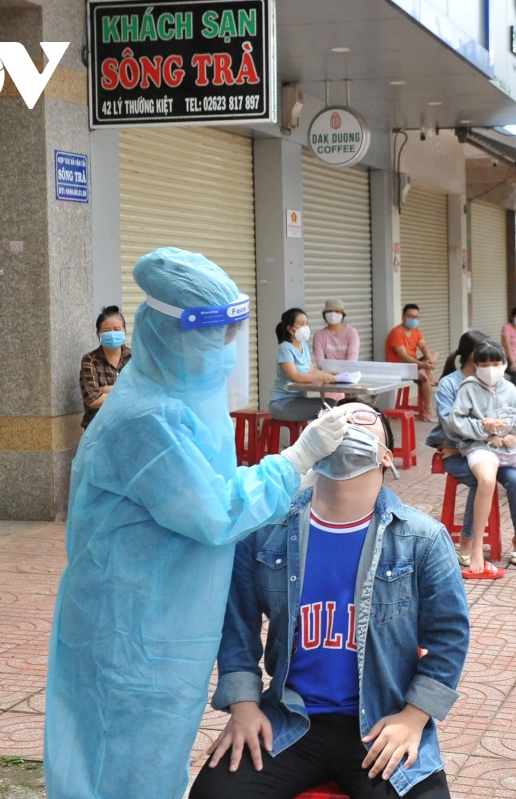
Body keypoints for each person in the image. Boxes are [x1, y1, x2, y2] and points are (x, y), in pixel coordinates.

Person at [45, 248, 351, 799]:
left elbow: (219, 488)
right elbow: (215, 510)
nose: (227, 352)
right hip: (131, 624)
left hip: (170, 619)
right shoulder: (146, 418)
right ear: (171, 333)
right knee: (120, 760)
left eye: (233, 335)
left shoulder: (182, 392)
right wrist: (297, 459)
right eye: (217, 338)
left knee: (155, 760)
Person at [192, 398, 469, 799]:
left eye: (362, 419)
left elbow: (450, 636)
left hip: (381, 723)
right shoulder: (265, 531)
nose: (345, 424)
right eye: (332, 417)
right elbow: (236, 625)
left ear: (386, 456)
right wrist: (244, 706)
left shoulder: (422, 539)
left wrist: (413, 717)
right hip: (290, 720)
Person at [445, 340, 516, 578]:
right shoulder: (468, 388)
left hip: (511, 448)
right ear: (476, 366)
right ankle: (477, 549)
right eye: (485, 364)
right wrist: (484, 430)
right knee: (486, 481)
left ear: (504, 364)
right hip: (481, 448)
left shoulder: (509, 387)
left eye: (495, 363)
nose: (490, 368)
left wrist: (511, 433)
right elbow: (456, 420)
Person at [426, 332, 516, 568]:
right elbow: (451, 426)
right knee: (481, 480)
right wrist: (470, 443)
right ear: (473, 356)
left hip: (496, 453)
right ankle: (468, 540)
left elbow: (513, 417)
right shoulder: (450, 384)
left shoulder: (498, 384)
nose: (491, 365)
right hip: (458, 452)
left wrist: (513, 437)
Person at [270, 308, 339, 422]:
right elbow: (294, 376)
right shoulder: (285, 348)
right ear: (290, 328)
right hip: (282, 403)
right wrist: (322, 377)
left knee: (332, 403)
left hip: (298, 400)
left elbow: (312, 371)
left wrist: (331, 374)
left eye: (306, 324)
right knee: (330, 408)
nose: (305, 327)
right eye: (301, 324)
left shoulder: (304, 345)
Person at [79, 305, 132, 429]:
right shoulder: (90, 360)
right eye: (107, 330)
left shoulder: (135, 358)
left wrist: (104, 390)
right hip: (98, 430)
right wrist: (128, 393)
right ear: (98, 334)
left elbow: (144, 391)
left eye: (117, 329)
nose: (113, 334)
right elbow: (93, 400)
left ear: (124, 331)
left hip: (130, 428)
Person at [385, 304, 439, 421]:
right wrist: (423, 365)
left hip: (413, 366)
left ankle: (426, 370)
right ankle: (428, 409)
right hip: (399, 368)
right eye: (410, 316)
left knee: (434, 354)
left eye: (416, 317)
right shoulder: (397, 333)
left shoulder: (416, 331)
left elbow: (423, 346)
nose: (413, 320)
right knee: (424, 376)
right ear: (403, 317)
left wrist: (428, 359)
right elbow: (404, 356)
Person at [312, 299, 360, 367]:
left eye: (337, 311)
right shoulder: (319, 336)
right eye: (329, 311)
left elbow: (352, 356)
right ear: (324, 315)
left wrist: (343, 371)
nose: (333, 314)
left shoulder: (351, 332)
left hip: (347, 373)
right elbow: (320, 362)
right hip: (327, 375)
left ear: (342, 314)